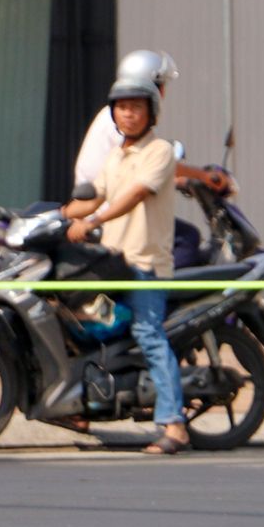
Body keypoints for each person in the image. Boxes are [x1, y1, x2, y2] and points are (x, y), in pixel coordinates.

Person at [60, 76, 189, 456]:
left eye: (136, 107)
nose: (128, 114)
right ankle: (83, 406)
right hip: (110, 267)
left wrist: (93, 222)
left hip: (144, 266)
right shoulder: (116, 154)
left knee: (148, 334)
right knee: (78, 319)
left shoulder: (159, 151)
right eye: (121, 107)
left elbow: (133, 196)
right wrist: (53, 216)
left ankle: (174, 424)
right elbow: (95, 195)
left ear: (151, 113)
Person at [73, 49, 231, 195]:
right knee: (187, 228)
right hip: (108, 210)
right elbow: (150, 160)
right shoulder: (122, 122)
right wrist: (203, 176)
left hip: (111, 201)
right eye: (161, 86)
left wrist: (182, 180)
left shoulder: (112, 115)